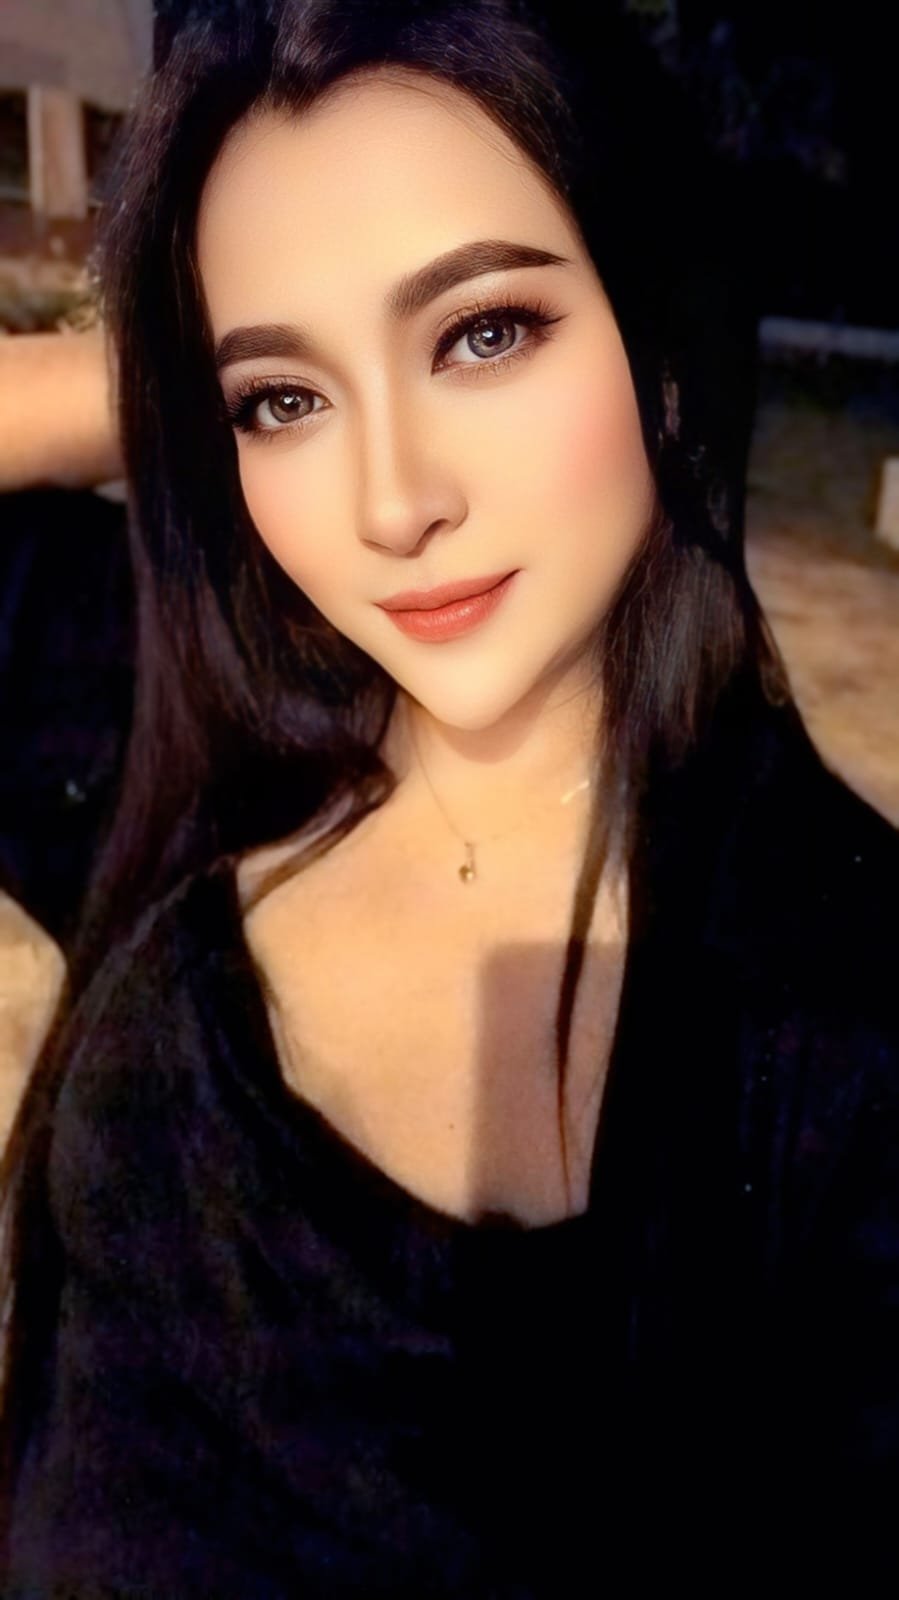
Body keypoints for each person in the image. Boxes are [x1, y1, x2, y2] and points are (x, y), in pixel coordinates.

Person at [1, 1, 897, 1592]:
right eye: (284, 399)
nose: (393, 501)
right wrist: (169, 361)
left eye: (482, 333)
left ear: (658, 339)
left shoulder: (837, 1016)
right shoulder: (180, 764)